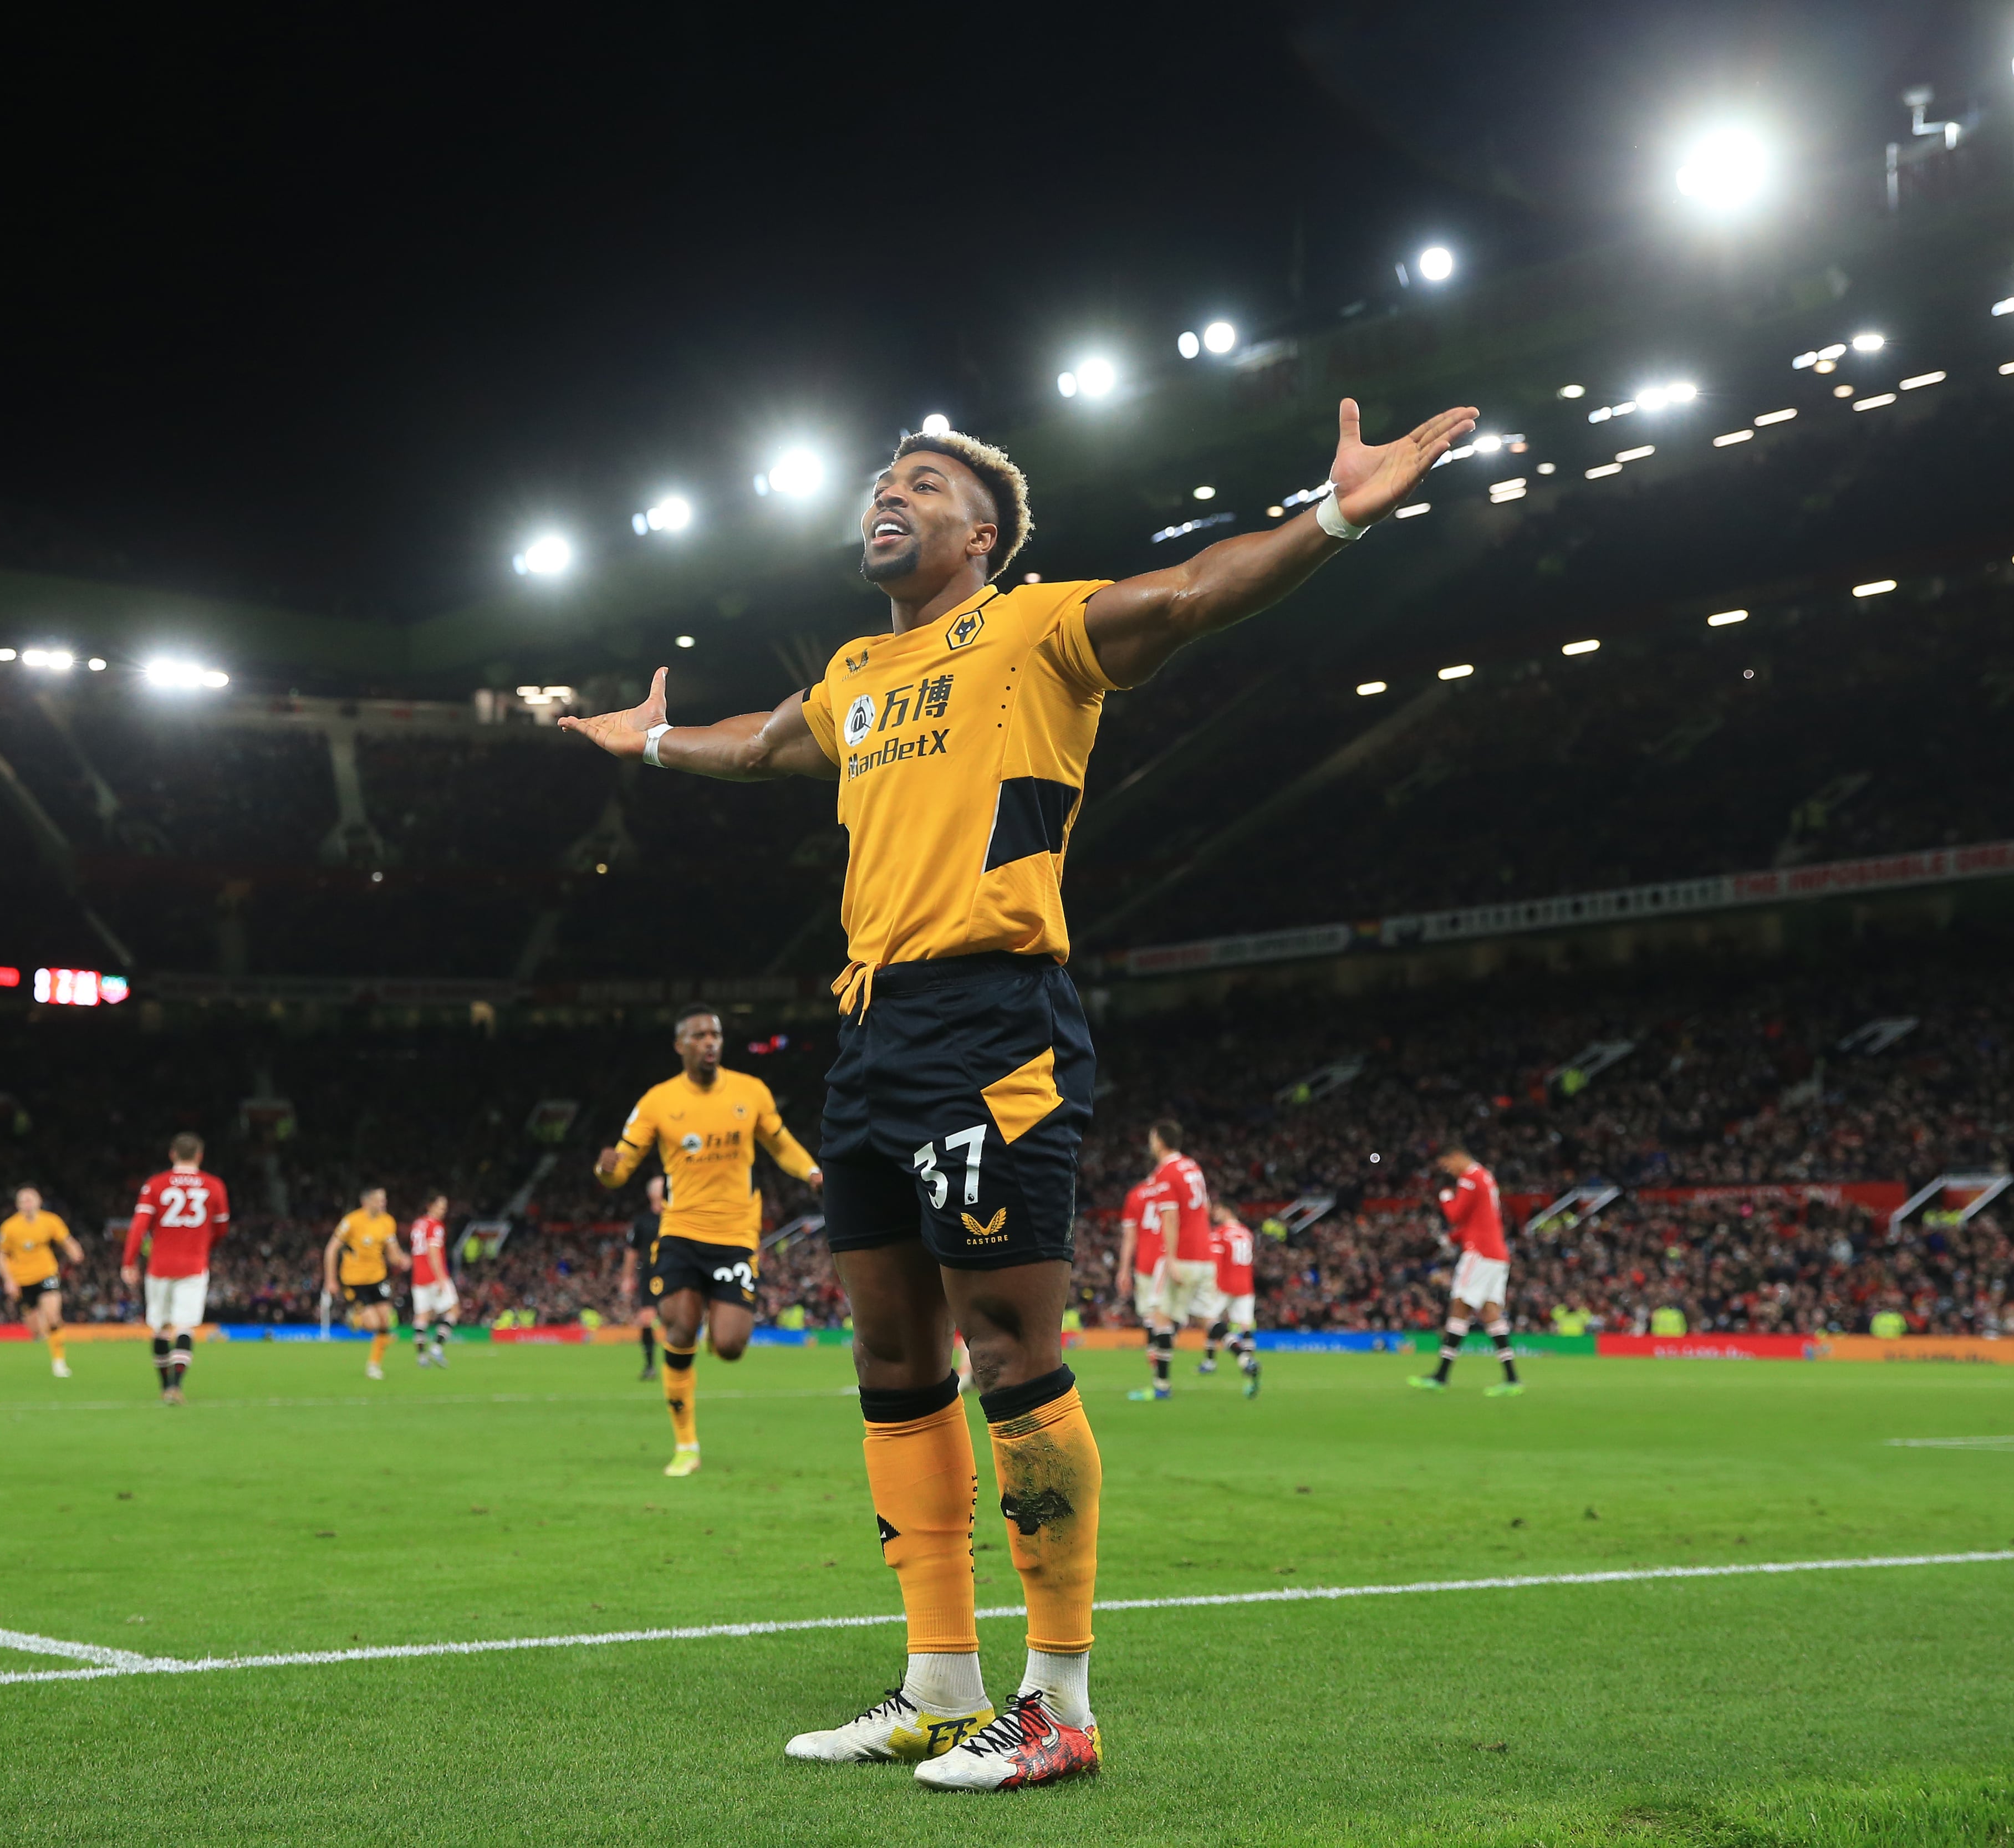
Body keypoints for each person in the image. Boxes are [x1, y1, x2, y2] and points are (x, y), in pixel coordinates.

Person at [560, 396, 1472, 1789]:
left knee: (1006, 1347)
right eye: (881, 480)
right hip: (871, 1030)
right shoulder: (859, 671)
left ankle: (1059, 1700)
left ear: (978, 531)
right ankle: (938, 1681)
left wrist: (1338, 513)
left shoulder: (1038, 625)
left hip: (994, 1018)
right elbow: (764, 745)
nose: (887, 493)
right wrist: (656, 744)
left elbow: (1185, 595)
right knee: (891, 1359)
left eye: (919, 483)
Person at [594, 1004, 822, 1477]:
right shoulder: (658, 1101)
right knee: (678, 1329)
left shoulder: (750, 1091)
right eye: (699, 1035)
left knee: (733, 1345)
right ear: (680, 1046)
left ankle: (717, 1332)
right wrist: (606, 1170)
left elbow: (780, 1143)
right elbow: (621, 1169)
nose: (710, 1042)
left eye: (715, 1034)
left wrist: (812, 1171)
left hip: (736, 1235)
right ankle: (686, 1446)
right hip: (679, 1231)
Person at [120, 1134, 230, 1405]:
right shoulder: (214, 1186)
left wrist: (129, 1261)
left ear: (172, 1155)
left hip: (160, 1266)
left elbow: (139, 1226)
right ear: (200, 1156)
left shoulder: (155, 1185)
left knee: (160, 1328)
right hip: (194, 1266)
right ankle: (176, 1387)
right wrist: (205, 1246)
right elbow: (222, 1229)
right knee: (185, 1327)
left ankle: (164, 1386)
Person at [1412, 1145, 1522, 1396]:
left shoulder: (1470, 1178)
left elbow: (1455, 1214)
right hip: (1497, 1253)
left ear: (1458, 1156)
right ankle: (1512, 1378)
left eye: (1447, 1164)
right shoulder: (1485, 1177)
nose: (1448, 1171)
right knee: (1490, 1311)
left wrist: (1445, 1198)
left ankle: (1441, 1376)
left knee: (1460, 1305)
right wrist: (1453, 1239)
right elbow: (1478, 1219)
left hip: (1480, 1252)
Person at [1132, 1121, 1214, 1402]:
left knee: (1161, 1318)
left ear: (1159, 1141)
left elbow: (1171, 1217)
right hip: (1205, 1254)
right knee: (1198, 1317)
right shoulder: (1193, 1167)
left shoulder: (1165, 1172)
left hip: (1185, 1256)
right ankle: (1243, 1356)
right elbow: (1206, 1208)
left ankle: (1161, 1386)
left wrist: (1171, 1259)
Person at [0, 1187, 84, 1377]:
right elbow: (1, 1256)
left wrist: (74, 1250)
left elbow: (65, 1239)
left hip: (46, 1274)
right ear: (18, 1205)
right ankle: (44, 1336)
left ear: (39, 1201)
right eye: (23, 1201)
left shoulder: (50, 1221)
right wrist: (9, 1280)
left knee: (53, 1316)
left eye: (31, 1200)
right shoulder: (10, 1227)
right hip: (22, 1281)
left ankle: (59, 1362)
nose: (28, 1204)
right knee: (36, 1331)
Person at [322, 1187, 404, 1380]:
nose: (383, 1203)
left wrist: (401, 1259)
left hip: (378, 1278)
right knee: (373, 1323)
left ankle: (374, 1366)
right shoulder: (352, 1221)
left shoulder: (388, 1221)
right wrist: (330, 1280)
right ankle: (355, 1319)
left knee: (386, 1321)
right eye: (379, 1200)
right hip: (354, 1280)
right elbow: (331, 1250)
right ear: (366, 1202)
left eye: (384, 1200)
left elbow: (393, 1251)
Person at [1195, 1202, 1261, 1397]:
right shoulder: (1247, 1233)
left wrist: (1210, 1285)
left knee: (1209, 1320)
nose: (1215, 1215)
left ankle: (1210, 1362)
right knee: (1246, 1327)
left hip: (1224, 1285)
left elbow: (1215, 1262)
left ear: (1227, 1210)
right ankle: (1249, 1372)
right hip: (1246, 1285)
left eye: (1217, 1211)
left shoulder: (1220, 1233)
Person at [1110, 1170, 1168, 1379]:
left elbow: (1130, 1237)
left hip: (1146, 1265)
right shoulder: (1169, 1189)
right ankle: (1161, 1374)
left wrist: (1124, 1270)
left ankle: (1157, 1371)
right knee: (1165, 1318)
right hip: (1169, 1261)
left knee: (1151, 1318)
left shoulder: (1136, 1194)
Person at [620, 1175, 666, 1380]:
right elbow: (631, 1252)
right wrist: (627, 1278)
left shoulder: (678, 1218)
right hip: (650, 1273)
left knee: (676, 1318)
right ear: (652, 1195)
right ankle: (650, 1366)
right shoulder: (643, 1222)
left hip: (675, 1271)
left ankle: (678, 1365)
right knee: (647, 1318)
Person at [406, 1193, 458, 1369]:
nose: (443, 1210)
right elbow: (433, 1252)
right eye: (440, 1206)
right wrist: (442, 1278)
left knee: (422, 1316)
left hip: (418, 1277)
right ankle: (436, 1348)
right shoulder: (436, 1226)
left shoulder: (417, 1224)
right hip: (434, 1276)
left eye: (445, 1207)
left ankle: (421, 1357)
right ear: (430, 1206)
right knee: (454, 1310)